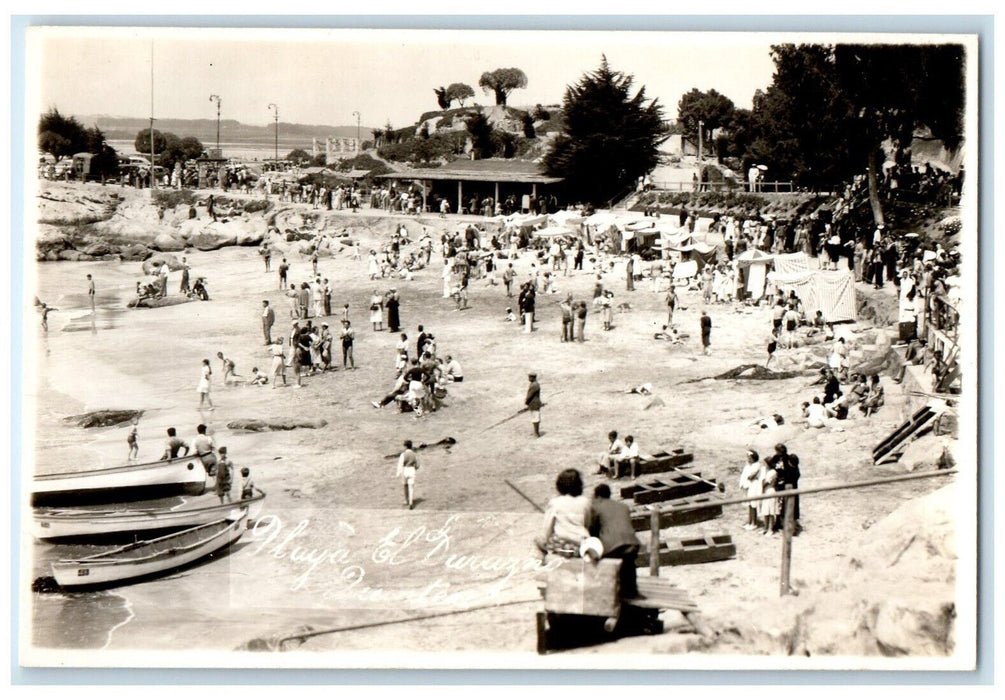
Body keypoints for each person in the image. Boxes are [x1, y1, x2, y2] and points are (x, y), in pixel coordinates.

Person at [588, 484, 641, 598]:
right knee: (629, 563)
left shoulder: (596, 506)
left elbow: (593, 530)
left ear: (597, 496)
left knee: (601, 562)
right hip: (633, 543)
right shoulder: (623, 506)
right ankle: (631, 591)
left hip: (612, 546)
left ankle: (606, 592)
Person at [534, 469, 591, 559]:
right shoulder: (585, 501)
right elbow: (588, 523)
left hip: (561, 545)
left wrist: (544, 540)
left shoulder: (555, 502)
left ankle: (542, 562)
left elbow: (547, 529)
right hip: (581, 544)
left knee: (538, 541)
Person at [739, 450, 762, 529]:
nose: (748, 459)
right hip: (748, 486)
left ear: (753, 458)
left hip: (754, 486)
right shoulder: (748, 466)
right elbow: (744, 475)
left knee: (753, 504)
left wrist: (749, 476)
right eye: (748, 457)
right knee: (749, 504)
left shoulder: (757, 465)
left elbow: (750, 477)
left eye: (750, 457)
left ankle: (754, 523)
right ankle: (750, 521)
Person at [396, 439, 420, 509]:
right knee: (411, 487)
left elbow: (400, 464)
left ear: (405, 446)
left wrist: (398, 473)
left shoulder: (403, 454)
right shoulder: (414, 454)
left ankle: (406, 500)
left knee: (405, 486)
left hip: (405, 470)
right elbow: (417, 465)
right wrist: (414, 468)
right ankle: (411, 503)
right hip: (412, 470)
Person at [525, 372, 542, 438]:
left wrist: (526, 402)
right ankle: (536, 432)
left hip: (534, 403)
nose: (528, 378)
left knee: (535, 418)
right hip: (535, 403)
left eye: (529, 377)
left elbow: (530, 395)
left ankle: (536, 433)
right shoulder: (535, 384)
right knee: (535, 417)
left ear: (533, 377)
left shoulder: (534, 385)